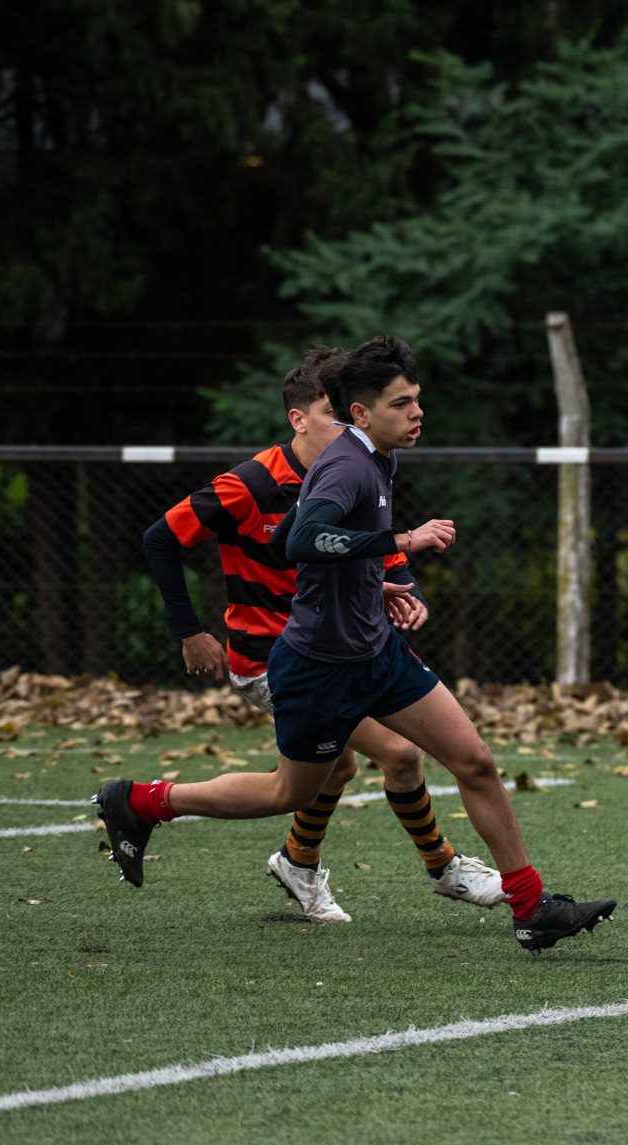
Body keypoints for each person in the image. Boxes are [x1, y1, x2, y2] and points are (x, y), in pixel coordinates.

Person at [97, 336, 614, 954]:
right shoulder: (344, 464)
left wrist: (383, 577)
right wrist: (403, 540)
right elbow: (302, 541)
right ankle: (142, 802)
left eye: (417, 399)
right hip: (317, 667)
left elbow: (299, 528)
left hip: (376, 655)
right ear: (360, 414)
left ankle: (530, 907)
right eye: (402, 403)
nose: (418, 413)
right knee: (288, 791)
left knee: (470, 760)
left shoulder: (373, 458)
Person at [142, 348, 503, 923]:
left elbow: (375, 551)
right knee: (395, 755)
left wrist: (407, 592)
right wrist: (188, 631)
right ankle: (442, 866)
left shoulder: (358, 466)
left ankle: (298, 861)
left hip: (340, 653)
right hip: (271, 656)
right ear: (298, 420)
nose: (346, 426)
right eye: (333, 415)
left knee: (339, 768)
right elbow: (161, 539)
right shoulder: (253, 483)